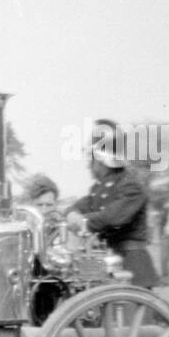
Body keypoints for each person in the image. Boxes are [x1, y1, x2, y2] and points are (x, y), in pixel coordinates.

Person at [64, 121, 159, 288]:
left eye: (92, 159)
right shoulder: (100, 188)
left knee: (131, 313)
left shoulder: (131, 187)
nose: (89, 166)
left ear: (102, 160)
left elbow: (113, 217)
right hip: (110, 261)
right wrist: (71, 213)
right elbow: (79, 206)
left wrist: (82, 221)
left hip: (132, 263)